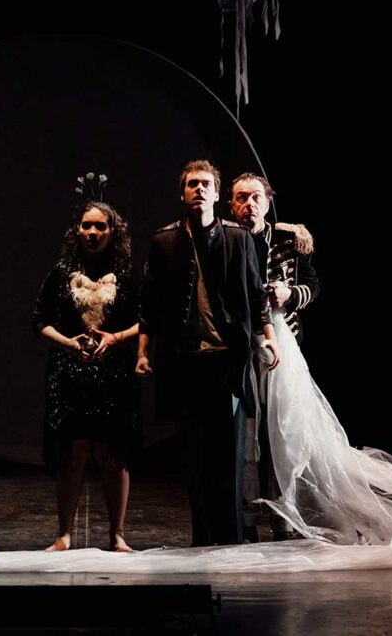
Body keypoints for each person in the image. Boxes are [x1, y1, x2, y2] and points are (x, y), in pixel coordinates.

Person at [137, 159, 279, 546]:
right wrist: (143, 351)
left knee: (229, 454)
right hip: (185, 362)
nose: (199, 189)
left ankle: (230, 538)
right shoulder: (164, 241)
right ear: (183, 194)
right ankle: (202, 537)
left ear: (217, 195)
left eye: (205, 184)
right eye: (192, 184)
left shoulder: (237, 238)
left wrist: (267, 336)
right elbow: (149, 301)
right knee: (195, 455)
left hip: (227, 360)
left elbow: (256, 294)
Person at [32, 200, 140, 552]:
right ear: (76, 230)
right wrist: (67, 344)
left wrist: (116, 338)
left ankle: (117, 534)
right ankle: (64, 534)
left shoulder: (127, 276)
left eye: (100, 226)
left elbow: (147, 320)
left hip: (114, 372)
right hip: (68, 374)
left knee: (113, 452)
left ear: (113, 232)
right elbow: (39, 322)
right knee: (72, 452)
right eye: (86, 226)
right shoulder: (60, 274)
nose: (92, 232)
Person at [230, 172, 320, 541]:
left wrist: (290, 294)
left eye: (256, 197)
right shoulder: (226, 238)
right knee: (246, 434)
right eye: (241, 197)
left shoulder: (288, 240)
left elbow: (313, 286)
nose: (248, 204)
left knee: (283, 432)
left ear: (268, 202)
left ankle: (283, 515)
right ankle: (247, 518)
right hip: (239, 344)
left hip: (282, 343)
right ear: (230, 204)